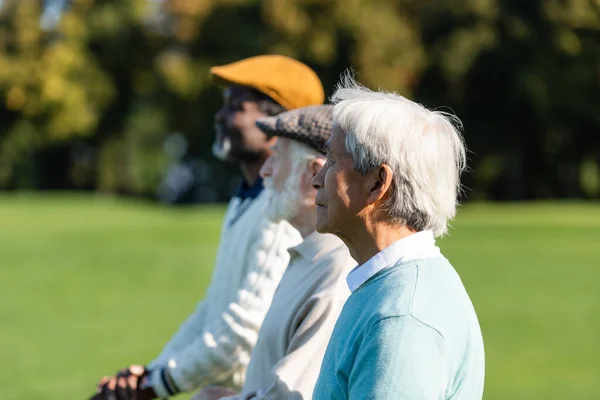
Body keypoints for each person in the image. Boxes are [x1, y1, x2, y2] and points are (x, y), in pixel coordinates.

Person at [94, 55, 325, 400]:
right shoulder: (246, 200)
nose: (220, 116)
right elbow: (213, 309)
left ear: (277, 124)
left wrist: (153, 385)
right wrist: (151, 373)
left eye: (235, 106)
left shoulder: (283, 211)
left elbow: (239, 333)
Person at [311, 75, 485, 399]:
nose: (317, 178)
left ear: (378, 182)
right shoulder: (392, 289)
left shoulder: (401, 318)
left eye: (333, 161)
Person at [193, 105, 355, 400]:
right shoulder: (308, 259)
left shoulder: (334, 274)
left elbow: (296, 395)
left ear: (314, 173)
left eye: (277, 157)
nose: (265, 171)